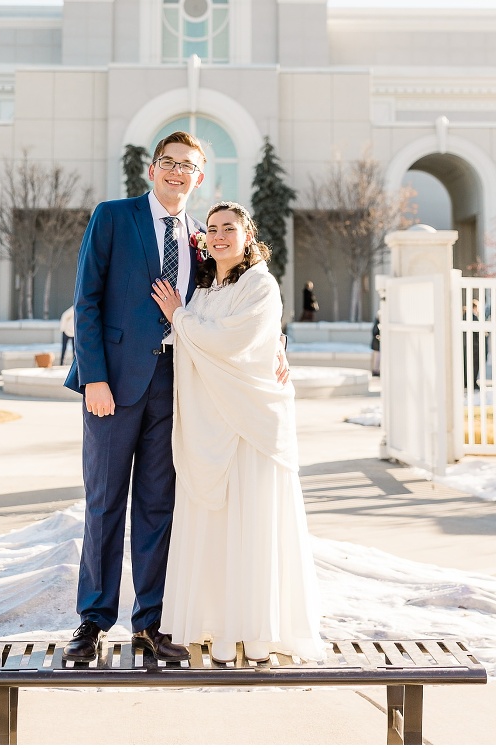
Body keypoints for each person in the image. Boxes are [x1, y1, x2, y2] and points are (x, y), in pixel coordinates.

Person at [62, 134, 289, 664]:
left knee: (160, 506)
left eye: (188, 166)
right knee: (104, 503)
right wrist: (94, 377)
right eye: (169, 163)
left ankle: (151, 622)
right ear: (152, 169)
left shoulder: (201, 238)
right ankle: (92, 623)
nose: (177, 173)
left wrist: (277, 343)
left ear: (199, 177)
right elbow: (87, 299)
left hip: (180, 387)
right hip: (114, 386)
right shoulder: (114, 217)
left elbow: (235, 303)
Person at [152, 202, 325, 664]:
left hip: (249, 425)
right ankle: (218, 626)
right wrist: (187, 318)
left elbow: (235, 341)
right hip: (212, 422)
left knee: (252, 525)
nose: (219, 236)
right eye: (211, 229)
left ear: (249, 235)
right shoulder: (206, 288)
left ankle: (254, 632)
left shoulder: (260, 284)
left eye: (229, 228)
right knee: (220, 527)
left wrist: (178, 317)